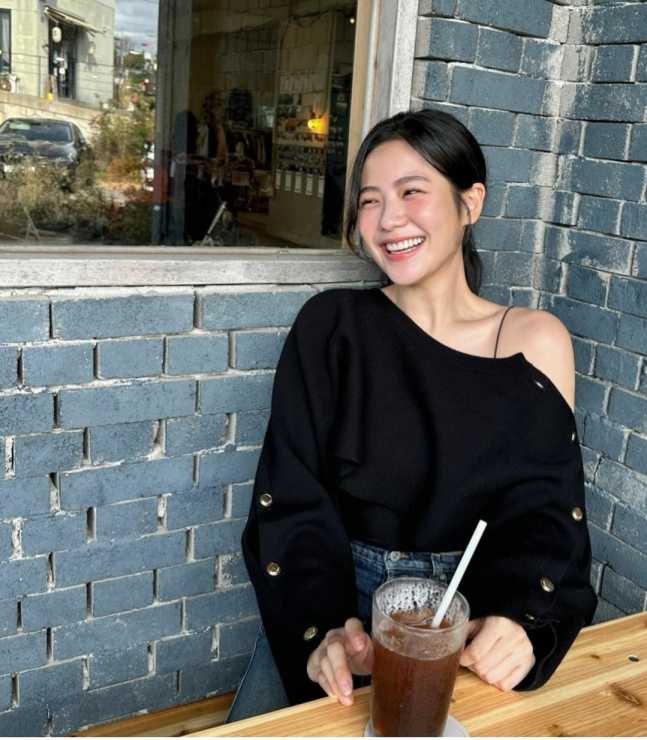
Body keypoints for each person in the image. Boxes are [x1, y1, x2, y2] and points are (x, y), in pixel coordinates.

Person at [226, 108, 597, 723]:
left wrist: (518, 619)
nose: (388, 219)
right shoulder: (331, 327)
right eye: (370, 200)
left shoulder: (536, 340)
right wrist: (323, 630)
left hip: (472, 617)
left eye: (411, 192)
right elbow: (291, 497)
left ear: (470, 203)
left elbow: (549, 513)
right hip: (341, 605)